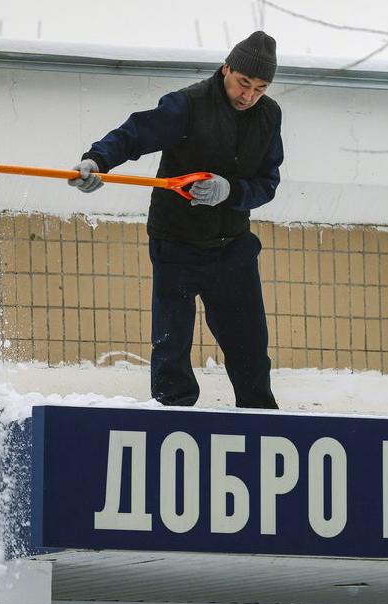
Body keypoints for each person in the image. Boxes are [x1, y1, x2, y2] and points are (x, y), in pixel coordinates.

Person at [70, 31, 282, 409]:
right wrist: (97, 161)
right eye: (243, 83)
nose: (249, 96)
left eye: (260, 89)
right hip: (176, 247)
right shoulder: (188, 104)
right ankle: (172, 415)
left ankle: (260, 420)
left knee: (249, 348)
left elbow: (267, 184)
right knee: (171, 346)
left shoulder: (269, 117)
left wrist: (230, 191)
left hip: (233, 250)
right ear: (226, 69)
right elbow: (134, 134)